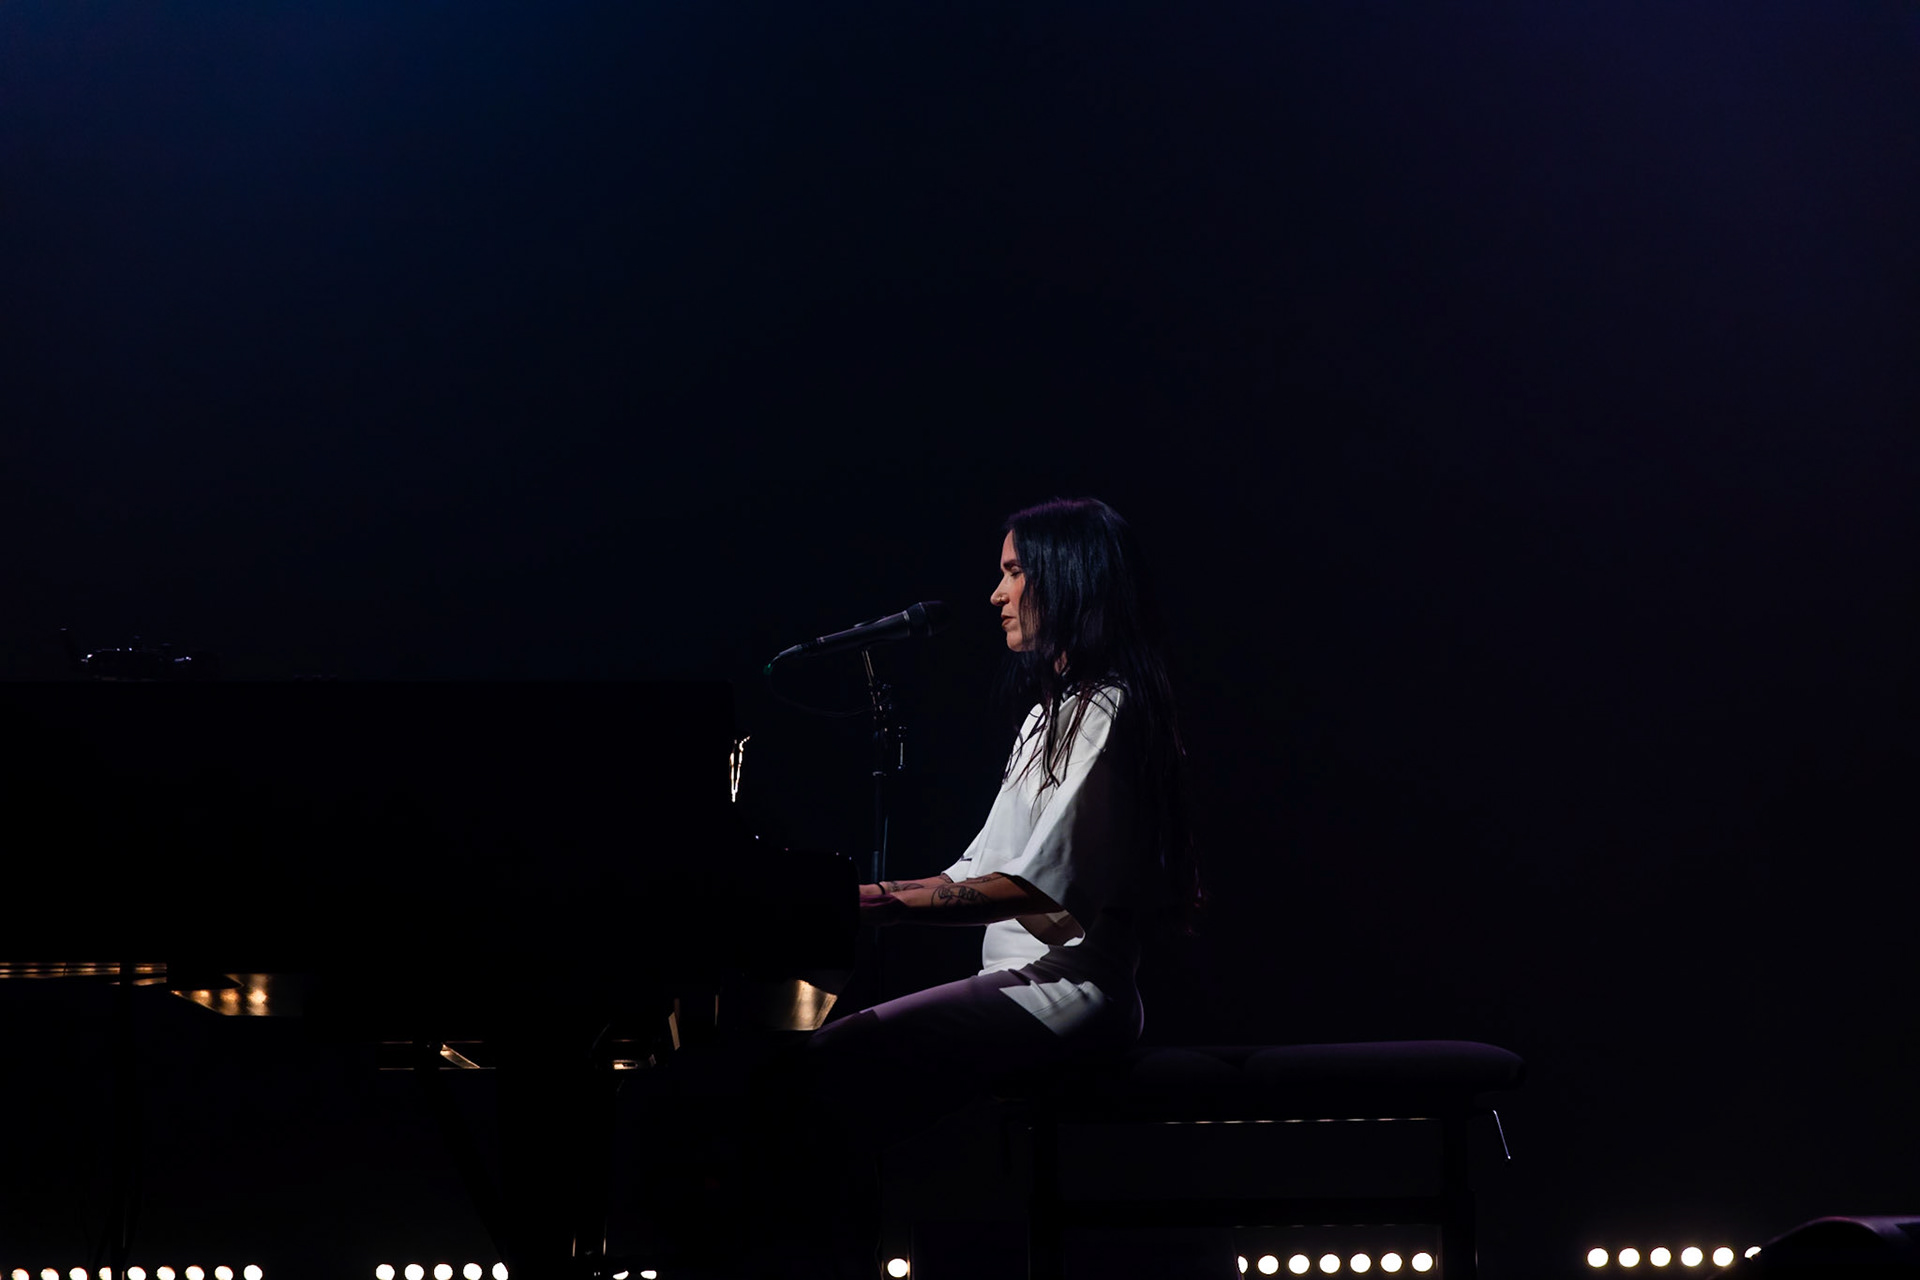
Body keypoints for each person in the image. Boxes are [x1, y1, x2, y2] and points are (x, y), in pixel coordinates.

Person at [681, 497, 1201, 1279]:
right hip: (1018, 986)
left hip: (1067, 996)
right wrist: (842, 895)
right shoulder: (1047, 716)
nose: (996, 594)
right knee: (814, 1088)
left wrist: (848, 905)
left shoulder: (1111, 710)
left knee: (827, 1069)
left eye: (1013, 571)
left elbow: (1025, 886)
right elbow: (969, 871)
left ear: (1068, 579)